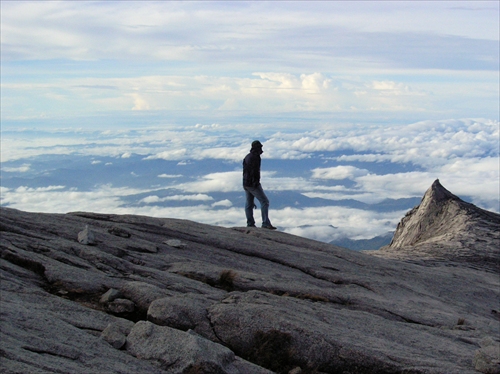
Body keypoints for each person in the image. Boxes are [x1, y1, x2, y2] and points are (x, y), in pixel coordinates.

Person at [242, 140, 277, 229]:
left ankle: (250, 223)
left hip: (246, 183)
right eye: (260, 147)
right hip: (253, 184)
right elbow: (253, 172)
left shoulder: (248, 156)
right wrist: (255, 184)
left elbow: (246, 171)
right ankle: (265, 223)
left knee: (249, 204)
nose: (261, 149)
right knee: (264, 201)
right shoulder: (255, 157)